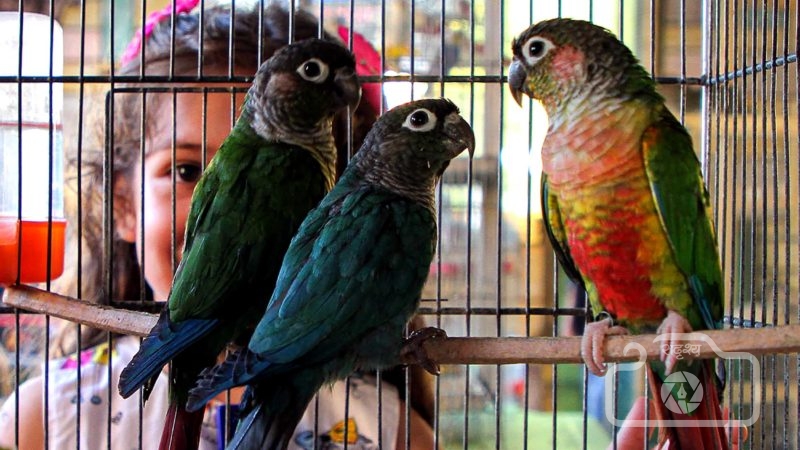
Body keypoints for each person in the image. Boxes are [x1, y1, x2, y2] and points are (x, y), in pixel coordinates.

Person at [0, 3, 434, 450]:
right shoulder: (47, 418)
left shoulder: (385, 427)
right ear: (124, 205)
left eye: (271, 180)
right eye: (187, 171)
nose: (230, 207)